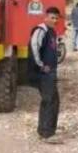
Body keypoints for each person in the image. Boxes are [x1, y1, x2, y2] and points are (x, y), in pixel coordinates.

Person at [28, 7, 63, 144]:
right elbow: (34, 48)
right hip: (44, 73)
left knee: (54, 100)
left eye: (56, 18)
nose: (54, 20)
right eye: (52, 17)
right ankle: (46, 133)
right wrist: (41, 65)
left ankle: (47, 130)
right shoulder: (40, 31)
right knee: (49, 101)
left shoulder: (52, 32)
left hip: (51, 72)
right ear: (46, 17)